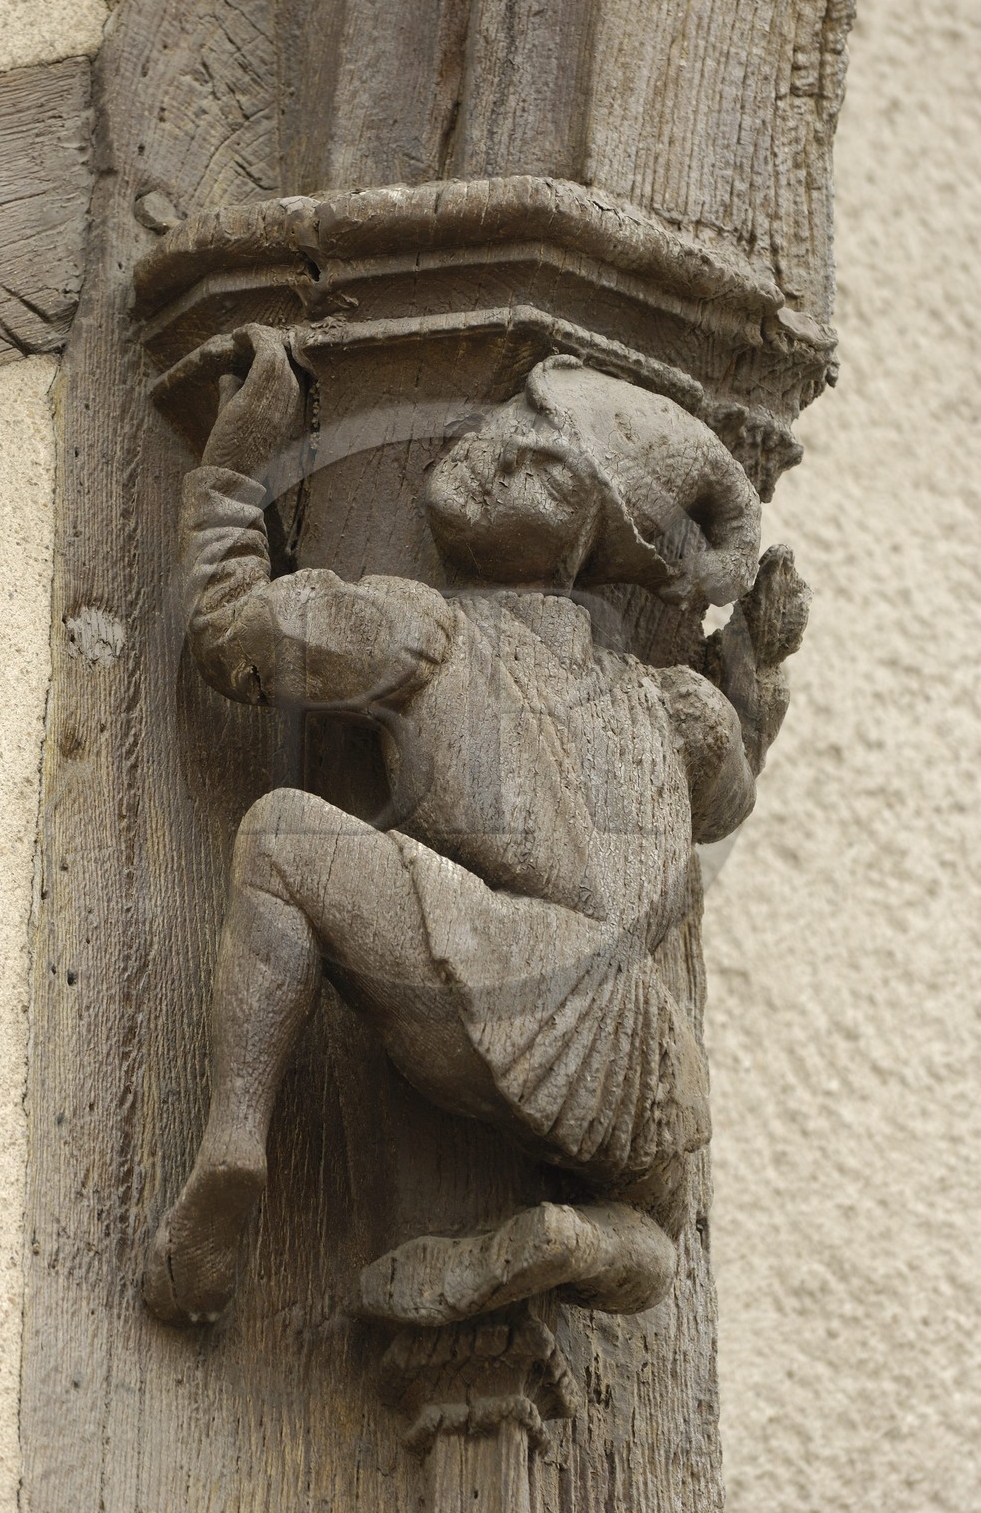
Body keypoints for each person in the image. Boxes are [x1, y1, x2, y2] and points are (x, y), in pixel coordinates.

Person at [144, 328, 763, 1328]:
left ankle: (235, 1134)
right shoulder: (681, 710)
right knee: (659, 1230)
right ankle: (575, 1240)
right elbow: (729, 802)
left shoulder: (422, 631)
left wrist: (234, 470)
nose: (500, 455)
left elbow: (231, 632)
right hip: (631, 1036)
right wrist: (755, 682)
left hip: (494, 974)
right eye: (515, 422)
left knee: (282, 836)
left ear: (579, 545)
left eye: (546, 474)